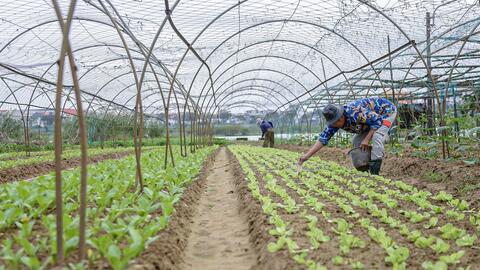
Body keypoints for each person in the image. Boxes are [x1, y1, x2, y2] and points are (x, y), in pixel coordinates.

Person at [298, 97, 397, 175]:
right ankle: (365, 171)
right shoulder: (333, 123)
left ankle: (375, 173)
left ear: (340, 117)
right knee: (356, 140)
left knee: (376, 136)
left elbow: (377, 120)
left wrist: (367, 139)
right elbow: (323, 139)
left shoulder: (355, 112)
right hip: (369, 122)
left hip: (386, 112)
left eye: (335, 122)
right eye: (331, 123)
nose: (333, 125)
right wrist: (306, 157)